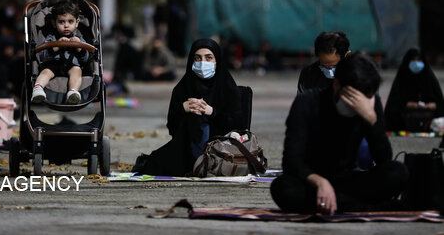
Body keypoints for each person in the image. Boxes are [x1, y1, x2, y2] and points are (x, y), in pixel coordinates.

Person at [271, 53, 408, 214]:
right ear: (336, 85)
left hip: (349, 179)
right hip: (313, 180)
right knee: (282, 187)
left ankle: (339, 204)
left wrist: (372, 121)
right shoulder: (308, 102)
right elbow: (291, 161)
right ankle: (360, 207)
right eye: (352, 97)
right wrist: (320, 182)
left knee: (398, 172)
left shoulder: (369, 103)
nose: (355, 105)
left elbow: (384, 159)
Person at [132, 38, 252, 176]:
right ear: (191, 61)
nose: (203, 63)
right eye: (197, 58)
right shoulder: (182, 88)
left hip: (223, 148)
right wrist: (183, 109)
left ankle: (201, 163)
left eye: (208, 58)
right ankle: (197, 163)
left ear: (217, 61)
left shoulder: (228, 88)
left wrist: (211, 112)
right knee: (153, 164)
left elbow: (240, 126)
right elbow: (172, 128)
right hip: (187, 147)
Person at [31, 1, 90, 105]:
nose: (66, 25)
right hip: (53, 65)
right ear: (54, 23)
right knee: (46, 71)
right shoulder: (51, 38)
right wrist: (55, 46)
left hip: (71, 66)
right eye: (61, 22)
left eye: (70, 21)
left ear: (77, 23)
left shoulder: (79, 39)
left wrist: (79, 48)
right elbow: (42, 56)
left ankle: (73, 92)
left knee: (77, 70)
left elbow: (85, 59)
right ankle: (38, 88)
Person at [384, 48, 444, 132]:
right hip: (404, 121)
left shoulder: (429, 78)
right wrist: (408, 104)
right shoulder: (402, 78)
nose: (416, 63)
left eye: (419, 60)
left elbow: (440, 103)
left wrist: (433, 105)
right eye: (413, 60)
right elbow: (393, 105)